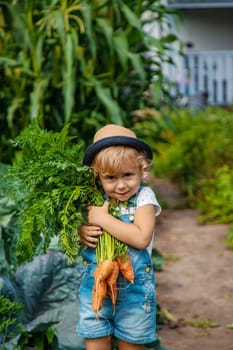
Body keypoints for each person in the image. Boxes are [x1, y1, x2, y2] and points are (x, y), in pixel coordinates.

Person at [77, 124, 161, 350]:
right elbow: (77, 235)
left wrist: (101, 219)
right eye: (111, 177)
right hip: (96, 285)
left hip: (135, 290)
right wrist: (81, 232)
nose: (122, 185)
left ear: (142, 170)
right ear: (97, 176)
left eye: (128, 175)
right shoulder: (94, 199)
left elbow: (141, 237)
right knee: (94, 338)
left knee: (132, 344)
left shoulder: (144, 197)